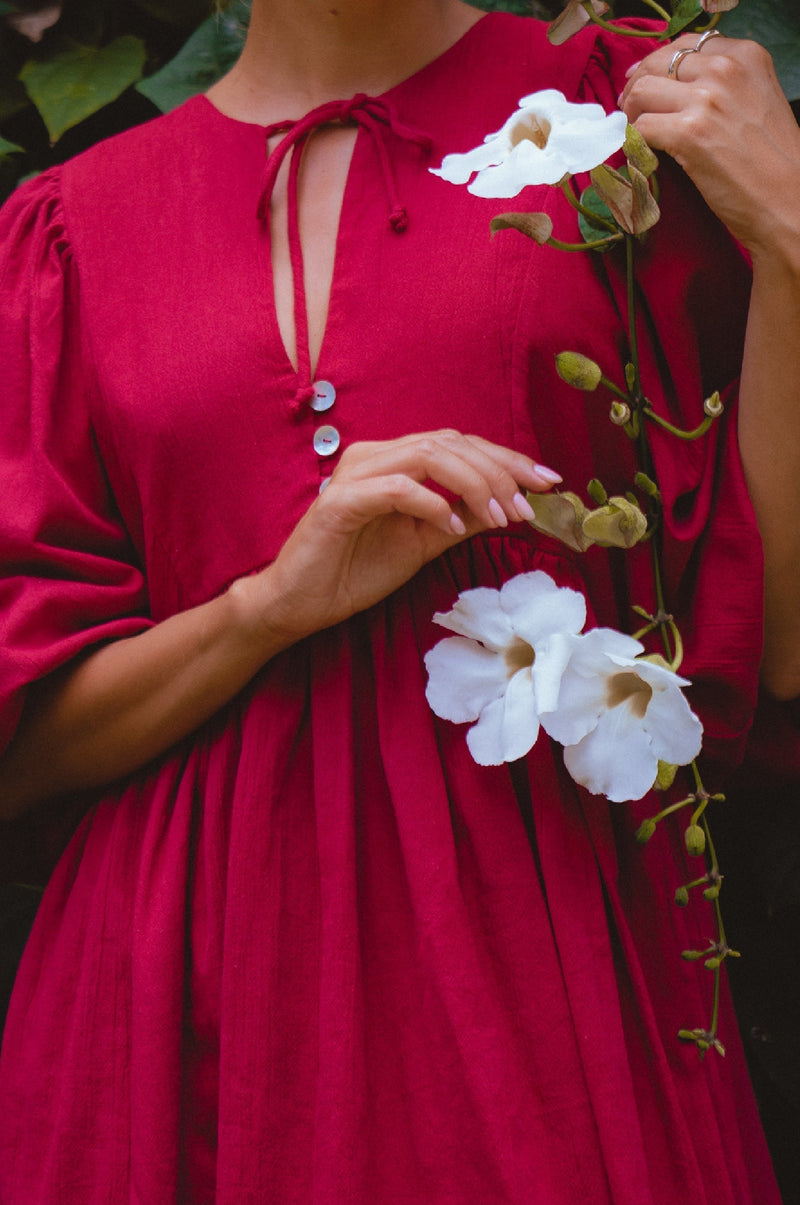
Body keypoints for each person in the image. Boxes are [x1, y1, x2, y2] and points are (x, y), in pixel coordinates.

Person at [0, 0, 798, 1198]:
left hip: (544, 981)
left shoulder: (638, 112)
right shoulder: (67, 226)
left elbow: (771, 637)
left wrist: (791, 233)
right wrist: (266, 604)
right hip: (163, 1018)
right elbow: (23, 745)